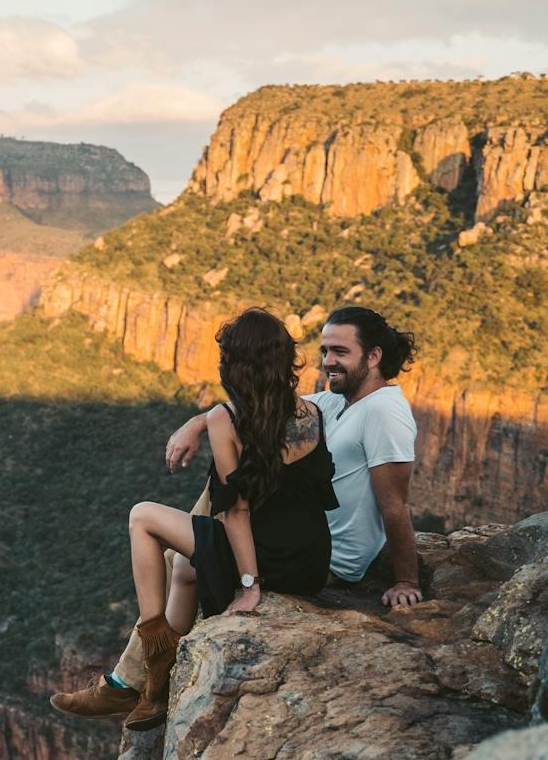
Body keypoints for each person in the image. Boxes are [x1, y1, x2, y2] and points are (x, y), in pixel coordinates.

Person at [51, 308, 336, 732]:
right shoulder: (310, 412)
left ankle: (155, 648)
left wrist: (249, 586)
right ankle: (151, 689)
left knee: (142, 517)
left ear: (234, 365)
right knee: (184, 566)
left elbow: (236, 510)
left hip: (268, 559)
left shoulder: (227, 418)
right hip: (311, 559)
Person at [164, 304, 422, 608]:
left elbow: (395, 502)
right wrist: (196, 424)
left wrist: (406, 581)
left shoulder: (384, 410)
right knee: (181, 550)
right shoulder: (332, 400)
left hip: (324, 559)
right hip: (303, 538)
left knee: (186, 553)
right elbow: (250, 410)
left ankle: (152, 650)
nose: (328, 362)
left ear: (374, 356)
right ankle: (153, 648)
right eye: (324, 351)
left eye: (340, 351)